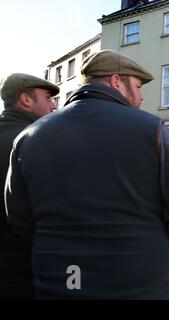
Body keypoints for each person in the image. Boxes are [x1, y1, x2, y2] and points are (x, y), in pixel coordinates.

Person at [4, 50, 169, 299]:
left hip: (59, 286)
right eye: (138, 86)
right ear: (116, 81)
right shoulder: (155, 131)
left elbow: (20, 218)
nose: (141, 97)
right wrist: (156, 248)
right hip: (141, 289)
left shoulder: (28, 137)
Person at [0, 73, 59, 299]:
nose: (53, 106)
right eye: (48, 98)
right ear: (26, 99)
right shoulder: (39, 141)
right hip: (22, 264)